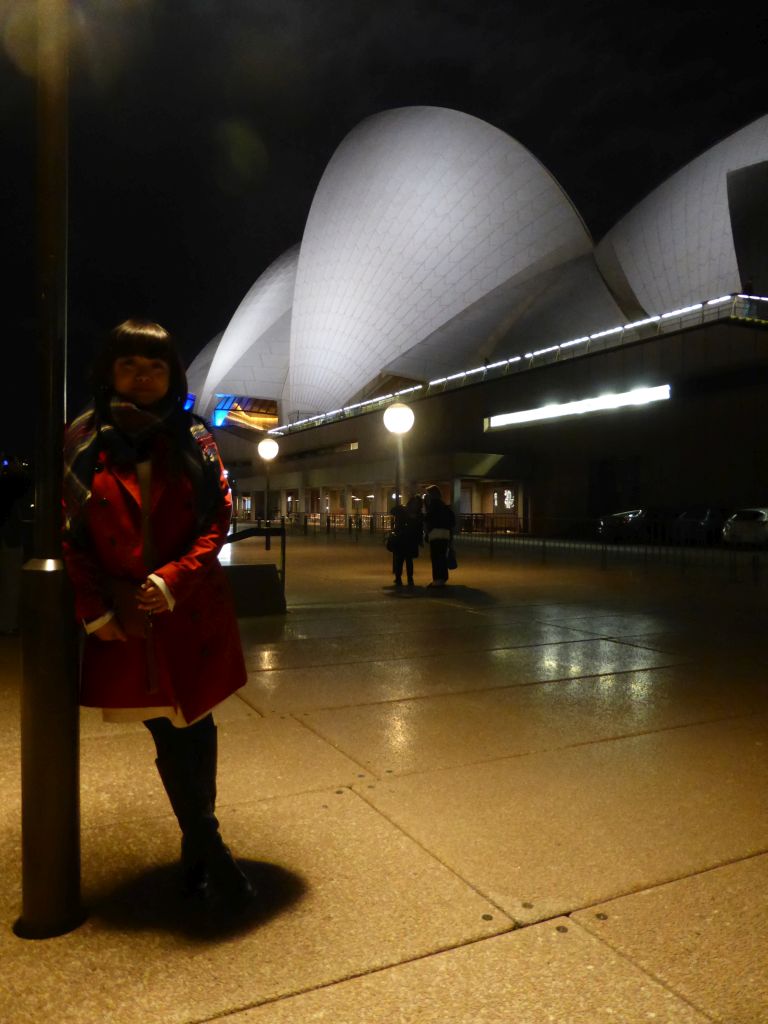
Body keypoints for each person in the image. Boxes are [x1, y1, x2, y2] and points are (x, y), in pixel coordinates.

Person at [62, 318, 252, 905]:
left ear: (172, 375)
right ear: (108, 370)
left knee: (194, 725)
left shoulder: (196, 438)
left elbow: (217, 520)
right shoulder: (82, 440)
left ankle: (201, 846)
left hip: (187, 606)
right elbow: (69, 536)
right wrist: (95, 610)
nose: (143, 377)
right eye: (130, 364)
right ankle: (206, 846)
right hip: (127, 615)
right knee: (172, 730)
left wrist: (173, 580)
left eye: (155, 366)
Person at [423, 484, 455, 587]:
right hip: (445, 534)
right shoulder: (443, 505)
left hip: (435, 533)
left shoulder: (433, 505)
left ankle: (437, 579)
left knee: (436, 557)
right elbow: (452, 520)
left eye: (428, 494)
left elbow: (429, 518)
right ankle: (443, 577)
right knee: (441, 556)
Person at [390, 494, 423, 587]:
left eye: (417, 504)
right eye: (414, 503)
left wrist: (420, 540)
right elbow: (393, 511)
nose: (415, 506)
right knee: (399, 559)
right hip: (401, 538)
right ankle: (398, 577)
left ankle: (409, 577)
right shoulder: (403, 511)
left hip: (411, 539)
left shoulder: (418, 515)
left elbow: (419, 528)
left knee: (409, 560)